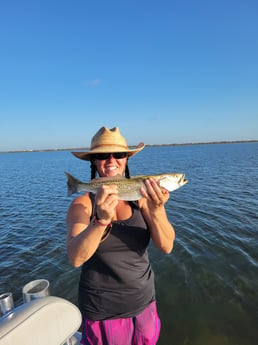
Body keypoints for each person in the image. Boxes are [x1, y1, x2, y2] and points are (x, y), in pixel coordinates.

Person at [66, 126, 175, 345]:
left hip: (144, 302)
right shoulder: (82, 205)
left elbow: (166, 246)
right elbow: (75, 258)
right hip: (103, 310)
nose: (111, 160)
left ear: (126, 159)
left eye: (119, 154)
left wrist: (156, 210)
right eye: (103, 155)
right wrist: (100, 221)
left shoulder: (144, 197)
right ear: (94, 162)